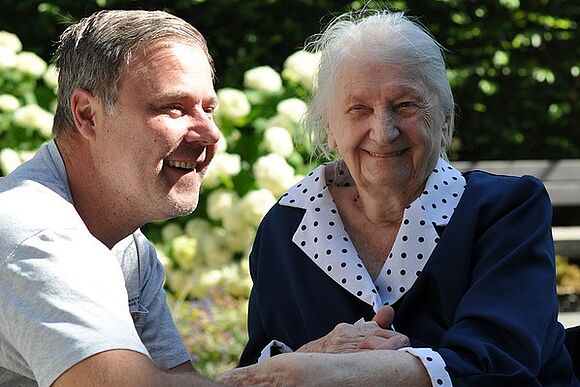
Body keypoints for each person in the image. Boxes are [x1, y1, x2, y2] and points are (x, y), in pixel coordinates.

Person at [0, 9, 406, 387]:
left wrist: (306, 362)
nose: (211, 133)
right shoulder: (38, 233)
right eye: (173, 108)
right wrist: (288, 375)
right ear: (87, 115)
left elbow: (175, 379)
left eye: (208, 108)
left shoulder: (128, 246)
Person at [220, 9, 579, 387]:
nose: (383, 131)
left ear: (443, 120)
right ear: (330, 129)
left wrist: (345, 372)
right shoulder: (286, 226)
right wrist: (313, 356)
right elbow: (257, 367)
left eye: (405, 105)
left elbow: (505, 362)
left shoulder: (505, 210)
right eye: (359, 109)